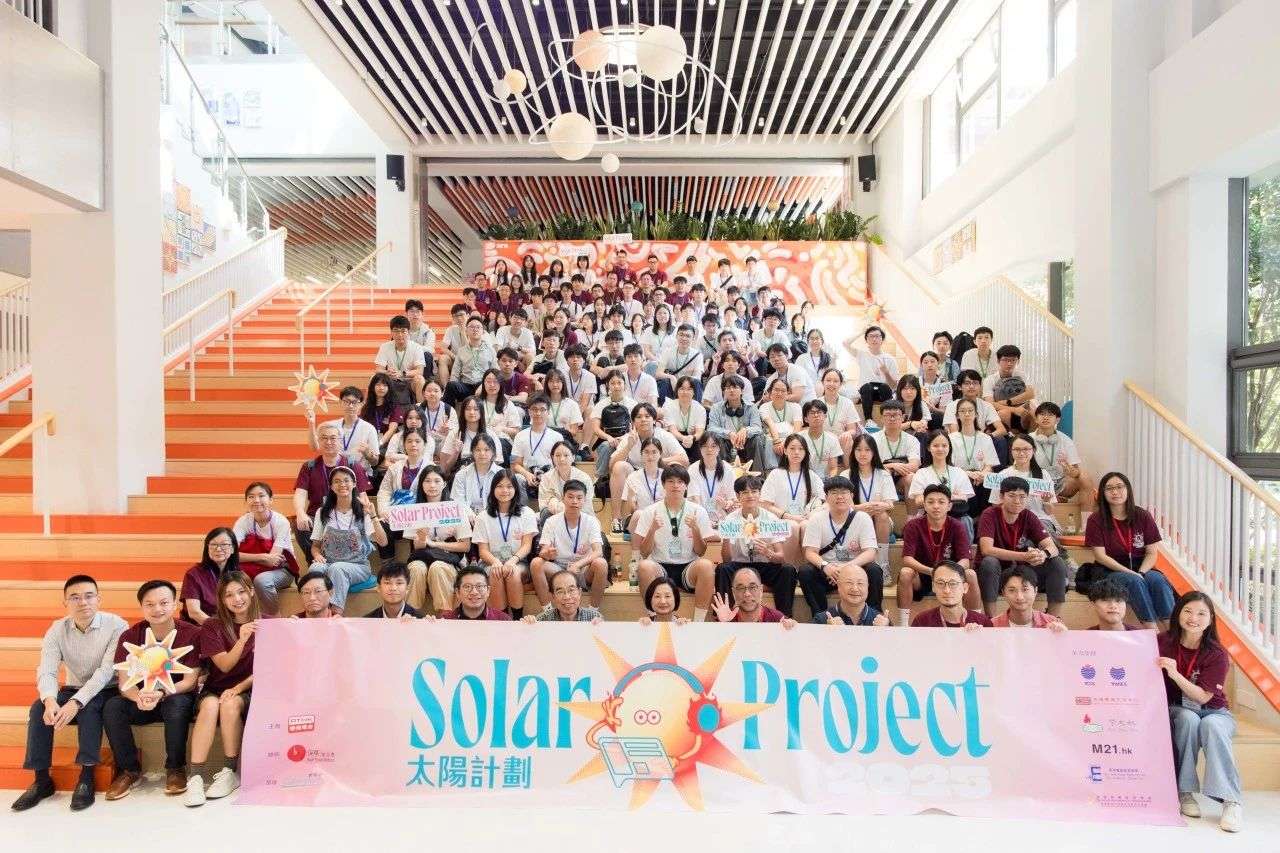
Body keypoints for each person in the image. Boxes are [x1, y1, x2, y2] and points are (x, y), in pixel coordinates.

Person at [10, 575, 127, 813]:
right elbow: (47, 669)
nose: (82, 602)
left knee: (89, 709)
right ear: (65, 603)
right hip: (72, 687)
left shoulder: (117, 625)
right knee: (38, 708)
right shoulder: (57, 629)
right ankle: (42, 780)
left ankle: (86, 776)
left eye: (89, 596)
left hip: (106, 689)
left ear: (99, 599)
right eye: (75, 597)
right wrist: (50, 699)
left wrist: (76, 702)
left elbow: (106, 671)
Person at [102, 580, 201, 800]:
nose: (157, 609)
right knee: (112, 706)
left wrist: (161, 693)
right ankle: (129, 770)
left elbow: (190, 681)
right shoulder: (130, 636)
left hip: (175, 696)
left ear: (175, 604)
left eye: (164, 603)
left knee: (177, 704)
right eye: (150, 604)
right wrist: (138, 697)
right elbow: (124, 683)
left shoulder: (192, 633)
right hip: (142, 700)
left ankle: (175, 768)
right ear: (142, 607)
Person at [1160, 591, 1243, 832]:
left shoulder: (1217, 653)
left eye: (1201, 613)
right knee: (1187, 719)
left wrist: (1175, 674)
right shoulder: (1162, 641)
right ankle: (1185, 792)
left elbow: (1203, 697)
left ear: (1210, 619)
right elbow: (1131, 641)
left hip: (1215, 711)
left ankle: (1231, 800)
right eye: (1187, 611)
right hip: (1179, 708)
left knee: (1211, 725)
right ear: (1178, 614)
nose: (1193, 618)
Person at [185, 571, 260, 807]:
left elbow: (269, 668)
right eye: (229, 595)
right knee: (209, 706)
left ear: (251, 591)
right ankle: (195, 776)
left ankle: (230, 771)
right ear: (222, 600)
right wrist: (242, 639)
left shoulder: (266, 623)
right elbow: (225, 665)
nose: (236, 599)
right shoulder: (212, 625)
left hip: (249, 689)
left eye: (241, 591)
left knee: (229, 704)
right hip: (216, 687)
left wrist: (239, 688)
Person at [1082, 471, 1177, 630]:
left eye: (1120, 487)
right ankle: (1151, 631)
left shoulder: (1143, 516)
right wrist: (1132, 573)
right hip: (1109, 569)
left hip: (1141, 567)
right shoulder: (1096, 519)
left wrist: (1142, 573)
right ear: (1103, 493)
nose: (1115, 492)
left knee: (1157, 580)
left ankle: (1172, 632)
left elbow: (1152, 553)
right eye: (1109, 488)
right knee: (1134, 581)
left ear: (1128, 490)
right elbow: (1100, 556)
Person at [634, 465, 719, 622]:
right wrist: (652, 530)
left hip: (688, 567)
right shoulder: (650, 511)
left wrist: (695, 529)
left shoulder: (698, 511)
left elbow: (700, 552)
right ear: (663, 484)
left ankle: (698, 622)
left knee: (707, 565)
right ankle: (653, 618)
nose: (675, 485)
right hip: (660, 566)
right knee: (644, 566)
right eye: (671, 481)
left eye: (680, 482)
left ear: (686, 485)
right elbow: (644, 552)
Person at [976, 476, 1068, 618]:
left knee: (1057, 562)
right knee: (989, 562)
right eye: (1012, 495)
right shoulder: (990, 514)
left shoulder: (1028, 516)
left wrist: (1043, 554)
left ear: (1027, 498)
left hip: (1022, 570)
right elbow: (987, 549)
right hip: (998, 572)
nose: (1017, 501)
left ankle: (1052, 619)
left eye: (1022, 497)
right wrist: (1024, 556)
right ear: (1001, 496)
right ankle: (990, 619)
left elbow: (1052, 547)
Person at [799, 476, 882, 619]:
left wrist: (847, 568)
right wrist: (825, 566)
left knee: (874, 570)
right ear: (826, 497)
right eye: (834, 492)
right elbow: (810, 552)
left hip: (855, 570)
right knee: (805, 571)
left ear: (852, 496)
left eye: (844, 492)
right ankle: (821, 617)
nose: (840, 496)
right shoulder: (816, 519)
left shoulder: (863, 518)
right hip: (828, 573)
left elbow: (870, 552)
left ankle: (873, 616)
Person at [308, 465, 389, 614]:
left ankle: (335, 613)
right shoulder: (323, 512)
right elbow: (315, 546)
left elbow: (383, 542)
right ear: (331, 486)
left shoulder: (363, 511)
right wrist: (317, 555)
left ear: (354, 484)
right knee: (314, 569)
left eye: (346, 480)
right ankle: (317, 612)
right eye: (337, 481)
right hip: (329, 562)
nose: (342, 484)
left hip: (358, 566)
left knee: (337, 568)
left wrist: (372, 515)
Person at [897, 484, 981, 627]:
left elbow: (965, 560)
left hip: (951, 576)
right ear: (924, 505)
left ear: (949, 506)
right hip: (923, 574)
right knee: (905, 573)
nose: (936, 506)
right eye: (930, 502)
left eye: (941, 502)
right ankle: (903, 624)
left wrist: (948, 572)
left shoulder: (957, 526)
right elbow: (907, 559)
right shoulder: (913, 525)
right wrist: (931, 571)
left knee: (970, 574)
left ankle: (976, 621)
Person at [714, 474, 797, 617]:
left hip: (764, 566)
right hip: (740, 566)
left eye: (754, 491)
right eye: (745, 492)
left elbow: (781, 557)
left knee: (788, 570)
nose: (750, 496)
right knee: (722, 568)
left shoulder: (771, 519)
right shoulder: (730, 519)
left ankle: (785, 617)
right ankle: (724, 616)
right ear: (738, 496)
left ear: (760, 494)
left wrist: (768, 552)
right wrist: (727, 538)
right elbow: (727, 559)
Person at [292, 422, 372, 557]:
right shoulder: (309, 467)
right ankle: (315, 560)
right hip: (318, 516)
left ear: (340, 441)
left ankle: (345, 560)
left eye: (333, 438)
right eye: (324, 438)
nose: (328, 442)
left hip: (347, 516)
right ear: (318, 441)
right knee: (300, 525)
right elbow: (300, 493)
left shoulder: (353, 465)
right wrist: (300, 512)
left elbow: (362, 496)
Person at [606, 402, 685, 532]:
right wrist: (628, 446)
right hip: (636, 474)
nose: (643, 419)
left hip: (658, 471)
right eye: (639, 417)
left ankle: (674, 515)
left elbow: (684, 459)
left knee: (676, 466)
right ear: (633, 422)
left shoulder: (664, 435)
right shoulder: (629, 437)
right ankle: (617, 519)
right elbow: (611, 464)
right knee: (619, 466)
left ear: (654, 420)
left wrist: (657, 460)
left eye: (647, 416)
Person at [406, 465, 473, 613]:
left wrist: (435, 544)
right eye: (427, 481)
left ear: (444, 484)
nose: (432, 485)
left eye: (437, 481)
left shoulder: (456, 508)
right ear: (421, 484)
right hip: (423, 557)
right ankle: (409, 616)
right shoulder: (414, 510)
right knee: (416, 568)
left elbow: (465, 546)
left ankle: (446, 616)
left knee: (438, 568)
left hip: (450, 560)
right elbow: (417, 547)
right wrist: (422, 537)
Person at [530, 480, 608, 607]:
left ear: (584, 500)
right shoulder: (551, 521)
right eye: (570, 497)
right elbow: (544, 551)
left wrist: (578, 565)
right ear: (563, 498)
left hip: (583, 569)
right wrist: (547, 554)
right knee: (536, 563)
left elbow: (598, 551)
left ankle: (594, 610)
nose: (574, 501)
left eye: (579, 498)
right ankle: (547, 610)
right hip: (559, 569)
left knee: (601, 563)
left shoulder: (591, 521)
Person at [473, 469, 537, 618]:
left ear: (515, 489)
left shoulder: (527, 513)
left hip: (519, 562)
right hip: (490, 563)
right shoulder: (483, 517)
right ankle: (501, 619)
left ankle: (518, 618)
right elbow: (483, 551)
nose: (504, 490)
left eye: (509, 486)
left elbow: (527, 545)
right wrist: (495, 562)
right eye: (500, 486)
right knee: (495, 573)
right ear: (493, 489)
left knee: (512, 572)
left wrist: (512, 561)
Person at [232, 482, 300, 616]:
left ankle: (274, 617)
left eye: (261, 496)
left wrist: (246, 558)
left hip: (282, 570)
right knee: (228, 577)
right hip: (251, 569)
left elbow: (273, 561)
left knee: (262, 580)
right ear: (246, 501)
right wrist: (262, 557)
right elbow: (231, 553)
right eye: (251, 497)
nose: (256, 500)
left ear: (271, 500)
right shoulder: (243, 521)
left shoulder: (281, 522)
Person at [375, 426, 430, 561]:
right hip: (397, 515)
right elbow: (384, 491)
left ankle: (415, 564)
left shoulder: (431, 468)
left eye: (417, 441)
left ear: (424, 444)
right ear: (404, 445)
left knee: (419, 529)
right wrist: (384, 511)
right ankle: (388, 563)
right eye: (409, 441)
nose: (413, 444)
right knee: (381, 525)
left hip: (420, 516)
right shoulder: (395, 468)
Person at [1031, 401, 1094, 512]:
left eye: (1050, 415)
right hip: (1037, 484)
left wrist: (1070, 471)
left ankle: (1086, 521)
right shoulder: (1027, 440)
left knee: (1085, 477)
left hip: (1059, 484)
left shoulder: (1066, 440)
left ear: (1057, 420)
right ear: (1036, 419)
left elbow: (1076, 472)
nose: (1046, 417)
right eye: (1042, 414)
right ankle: (1054, 499)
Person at [907, 430, 976, 526]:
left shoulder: (959, 472)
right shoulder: (921, 473)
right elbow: (918, 501)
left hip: (955, 516)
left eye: (944, 445)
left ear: (949, 448)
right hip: (928, 516)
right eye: (936, 446)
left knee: (965, 520)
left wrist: (931, 498)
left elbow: (963, 499)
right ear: (928, 448)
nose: (940, 449)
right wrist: (951, 496)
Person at [309, 385, 380, 476]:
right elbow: (314, 447)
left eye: (354, 402)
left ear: (361, 404)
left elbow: (375, 462)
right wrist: (311, 424)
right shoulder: (331, 426)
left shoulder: (369, 428)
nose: (350, 406)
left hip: (360, 475)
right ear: (341, 402)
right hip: (334, 475)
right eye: (346, 401)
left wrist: (367, 454)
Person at [843, 433, 897, 550]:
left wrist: (876, 506)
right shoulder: (846, 475)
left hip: (879, 520)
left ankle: (882, 559)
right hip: (855, 519)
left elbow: (890, 504)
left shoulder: (883, 474)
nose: (863, 454)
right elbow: (845, 507)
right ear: (853, 452)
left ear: (874, 452)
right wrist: (863, 508)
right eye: (858, 450)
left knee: (882, 515)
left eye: (867, 450)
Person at [948, 397, 999, 519]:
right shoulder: (951, 438)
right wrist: (968, 474)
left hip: (980, 476)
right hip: (959, 475)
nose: (967, 414)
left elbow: (989, 465)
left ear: (976, 414)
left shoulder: (985, 438)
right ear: (957, 416)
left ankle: (983, 519)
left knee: (989, 480)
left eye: (970, 410)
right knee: (967, 481)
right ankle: (967, 519)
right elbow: (950, 466)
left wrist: (982, 474)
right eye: (962, 411)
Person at [180, 527, 241, 625]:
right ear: (207, 548)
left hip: (229, 625)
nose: (218, 549)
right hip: (199, 626)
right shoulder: (193, 574)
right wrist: (219, 629)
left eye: (224, 544)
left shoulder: (239, 574)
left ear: (233, 548)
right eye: (213, 544)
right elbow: (194, 613)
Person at [909, 560, 992, 628]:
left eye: (953, 583)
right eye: (940, 583)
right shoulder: (922, 622)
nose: (947, 590)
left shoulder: (982, 623)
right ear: (933, 587)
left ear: (965, 588)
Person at [844, 325, 900, 421]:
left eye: (877, 336)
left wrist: (886, 373)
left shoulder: (890, 359)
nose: (874, 339)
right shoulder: (862, 355)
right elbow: (845, 343)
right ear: (866, 340)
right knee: (867, 387)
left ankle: (888, 419)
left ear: (882, 339)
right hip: (866, 392)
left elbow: (894, 386)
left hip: (883, 392)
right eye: (871, 336)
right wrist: (861, 332)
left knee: (885, 387)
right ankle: (869, 421)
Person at [708, 566, 797, 627]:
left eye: (752, 587)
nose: (747, 594)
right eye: (740, 588)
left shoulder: (776, 618)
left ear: (761, 590)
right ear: (733, 593)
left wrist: (791, 626)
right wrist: (724, 625)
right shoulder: (727, 618)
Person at [706, 374, 763, 467]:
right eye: (728, 388)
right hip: (726, 442)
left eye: (735, 387)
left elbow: (758, 428)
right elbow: (711, 428)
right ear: (724, 391)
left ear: (742, 391)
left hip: (746, 442)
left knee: (757, 439)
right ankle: (721, 471)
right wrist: (729, 434)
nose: (731, 390)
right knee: (716, 438)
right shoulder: (716, 408)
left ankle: (757, 473)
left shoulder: (751, 407)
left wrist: (745, 430)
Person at [989, 565, 1068, 630]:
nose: (1019, 597)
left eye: (1025, 589)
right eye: (1012, 590)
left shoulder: (1053, 624)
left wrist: (1062, 635)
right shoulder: (992, 626)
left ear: (1035, 591)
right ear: (1003, 593)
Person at [814, 564, 890, 626]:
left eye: (860, 583)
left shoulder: (882, 621)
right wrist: (827, 632)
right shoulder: (821, 620)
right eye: (849, 583)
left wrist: (884, 632)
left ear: (867, 587)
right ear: (839, 586)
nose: (855, 589)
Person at [982, 344, 1036, 432]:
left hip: (1021, 407)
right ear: (998, 361)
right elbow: (990, 403)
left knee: (1034, 411)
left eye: (1013, 360)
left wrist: (1008, 402)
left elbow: (1030, 394)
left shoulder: (1021, 375)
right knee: (1004, 413)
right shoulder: (990, 379)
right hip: (1001, 411)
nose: (1009, 363)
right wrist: (1014, 409)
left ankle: (1031, 438)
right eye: (1005, 360)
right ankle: (1009, 438)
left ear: (1018, 361)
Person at [375, 315, 428, 404]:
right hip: (391, 380)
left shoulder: (417, 347)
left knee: (420, 379)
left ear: (408, 332)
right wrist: (387, 373)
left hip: (409, 380)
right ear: (391, 332)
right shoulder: (385, 347)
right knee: (374, 378)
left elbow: (420, 371)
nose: (400, 335)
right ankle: (374, 409)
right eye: (396, 331)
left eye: (403, 331)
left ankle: (421, 409)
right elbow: (378, 370)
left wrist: (402, 373)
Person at [871, 401, 921, 496]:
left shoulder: (912, 440)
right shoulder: (873, 439)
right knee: (885, 472)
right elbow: (869, 465)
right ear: (881, 418)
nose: (892, 418)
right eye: (887, 415)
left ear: (903, 417)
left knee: (911, 478)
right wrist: (892, 466)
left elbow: (914, 465)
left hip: (901, 478)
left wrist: (896, 468)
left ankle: (911, 507)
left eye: (896, 415)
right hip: (878, 477)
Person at [446, 315, 497, 405]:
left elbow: (495, 372)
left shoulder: (490, 350)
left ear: (483, 331)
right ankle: (448, 412)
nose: (475, 329)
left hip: (483, 385)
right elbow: (455, 374)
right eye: (472, 327)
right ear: (466, 331)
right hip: (466, 386)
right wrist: (454, 383)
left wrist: (483, 385)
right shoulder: (461, 351)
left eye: (478, 327)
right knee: (451, 385)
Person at [687, 433, 737, 524]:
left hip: (723, 517)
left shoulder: (728, 469)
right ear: (700, 448)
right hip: (699, 518)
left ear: (719, 448)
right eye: (705, 446)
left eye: (713, 446)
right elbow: (695, 499)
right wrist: (704, 520)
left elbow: (732, 499)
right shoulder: (693, 469)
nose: (709, 449)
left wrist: (726, 504)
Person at [435, 564, 514, 621]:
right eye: (467, 587)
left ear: (488, 591)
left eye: (479, 586)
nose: (474, 592)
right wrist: (429, 626)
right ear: (458, 592)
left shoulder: (503, 620)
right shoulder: (446, 621)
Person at [538, 440, 596, 517]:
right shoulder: (546, 477)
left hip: (580, 517)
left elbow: (585, 506)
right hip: (553, 517)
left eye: (566, 455)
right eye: (557, 455)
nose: (562, 459)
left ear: (573, 457)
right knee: (546, 512)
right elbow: (543, 504)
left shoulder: (583, 478)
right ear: (552, 457)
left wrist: (558, 505)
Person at [523, 568, 604, 623]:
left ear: (579, 593)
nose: (567, 597)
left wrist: (601, 629)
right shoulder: (543, 619)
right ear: (553, 597)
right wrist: (529, 626)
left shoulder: (593, 617)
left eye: (571, 590)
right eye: (560, 592)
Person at [818, 368, 863, 461]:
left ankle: (847, 469)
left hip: (841, 441)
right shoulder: (816, 403)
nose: (831, 384)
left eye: (835, 381)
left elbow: (852, 430)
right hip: (821, 442)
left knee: (848, 439)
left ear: (840, 384)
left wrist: (847, 433)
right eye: (828, 380)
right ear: (822, 382)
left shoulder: (847, 403)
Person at [758, 377, 802, 469]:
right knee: (768, 440)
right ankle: (771, 470)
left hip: (790, 438)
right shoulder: (764, 407)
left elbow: (797, 429)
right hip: (773, 439)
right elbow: (770, 424)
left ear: (788, 393)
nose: (779, 393)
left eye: (783, 391)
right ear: (770, 392)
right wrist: (777, 441)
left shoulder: (796, 407)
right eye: (776, 390)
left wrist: (786, 442)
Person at [659, 375, 707, 456]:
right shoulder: (669, 405)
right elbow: (672, 429)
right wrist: (683, 438)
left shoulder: (700, 408)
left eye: (689, 389)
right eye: (682, 389)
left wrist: (692, 438)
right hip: (674, 438)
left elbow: (700, 431)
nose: (685, 392)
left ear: (694, 392)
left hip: (693, 439)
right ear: (677, 391)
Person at [543, 369, 586, 449]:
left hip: (564, 440)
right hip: (546, 439)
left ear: (563, 383)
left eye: (558, 381)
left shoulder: (572, 404)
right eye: (551, 381)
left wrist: (567, 429)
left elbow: (574, 432)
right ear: (547, 384)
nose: (555, 384)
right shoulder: (542, 403)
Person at [798, 399, 841, 477]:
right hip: (804, 478)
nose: (816, 415)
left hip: (826, 480)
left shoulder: (833, 439)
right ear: (805, 419)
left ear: (825, 416)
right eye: (812, 413)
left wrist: (830, 482)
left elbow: (833, 468)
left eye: (819, 412)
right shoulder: (799, 438)